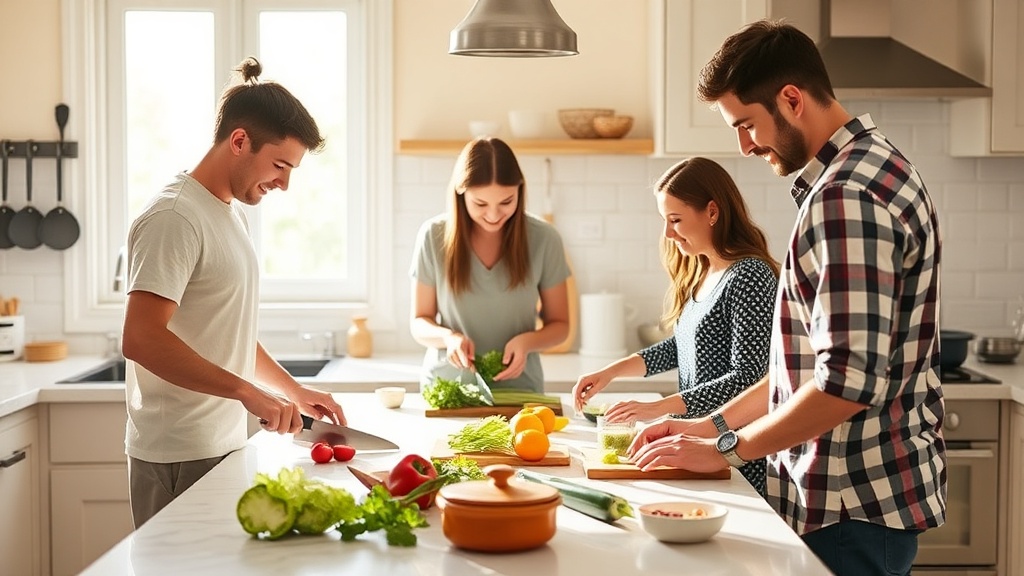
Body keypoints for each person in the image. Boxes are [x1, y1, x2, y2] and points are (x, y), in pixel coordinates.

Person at [628, 20, 944, 576]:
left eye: (746, 124)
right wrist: (710, 426)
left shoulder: (845, 197)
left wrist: (726, 448)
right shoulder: (875, 166)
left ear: (791, 100)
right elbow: (802, 368)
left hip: (849, 502)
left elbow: (845, 381)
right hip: (853, 500)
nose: (744, 146)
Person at [121, 57, 346, 529]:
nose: (284, 183)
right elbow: (141, 338)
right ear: (239, 141)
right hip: (177, 456)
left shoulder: (229, 213)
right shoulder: (173, 217)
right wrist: (248, 392)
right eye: (280, 164)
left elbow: (227, 327)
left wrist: (291, 390)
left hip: (221, 444)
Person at [572, 157, 778, 496]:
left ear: (712, 212)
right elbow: (680, 345)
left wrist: (659, 406)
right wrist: (611, 372)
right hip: (695, 444)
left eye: (676, 220)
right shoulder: (703, 271)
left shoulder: (749, 276)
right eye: (664, 221)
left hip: (734, 454)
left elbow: (749, 378)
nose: (668, 233)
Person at [410, 137, 571, 392]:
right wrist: (448, 338)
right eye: (481, 204)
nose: (494, 215)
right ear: (461, 194)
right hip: (448, 389)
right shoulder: (433, 236)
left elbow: (560, 326)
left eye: (506, 202)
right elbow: (419, 321)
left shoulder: (544, 238)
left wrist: (527, 341)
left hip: (520, 389)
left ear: (520, 190)